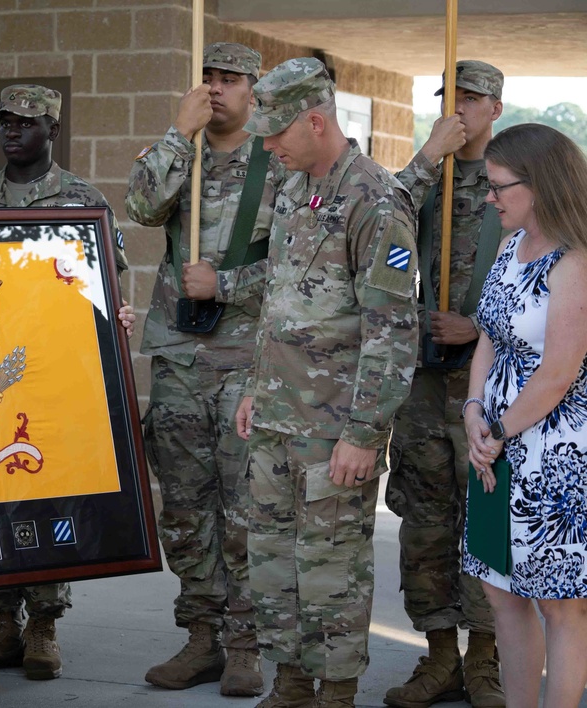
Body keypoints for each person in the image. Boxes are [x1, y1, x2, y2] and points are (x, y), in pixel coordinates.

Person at [236, 57, 419, 706]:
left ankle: (335, 694)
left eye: (277, 132)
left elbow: (394, 332)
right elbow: (279, 301)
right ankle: (290, 686)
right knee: (273, 566)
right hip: (277, 422)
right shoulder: (292, 190)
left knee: (331, 574)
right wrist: (257, 384)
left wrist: (366, 434)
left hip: (335, 432)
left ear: (316, 121)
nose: (267, 144)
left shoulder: (375, 200)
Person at [0, 83, 135, 682]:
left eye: (27, 123)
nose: (13, 131)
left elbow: (105, 278)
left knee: (47, 496)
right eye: (5, 121)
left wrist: (113, 321)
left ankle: (44, 627)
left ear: (52, 130)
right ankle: (1, 624)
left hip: (53, 370)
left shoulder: (80, 196)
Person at [125, 42, 280, 696]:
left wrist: (229, 284)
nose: (217, 89)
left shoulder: (279, 162)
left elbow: (308, 265)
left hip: (247, 358)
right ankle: (200, 637)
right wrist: (177, 132)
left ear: (254, 90)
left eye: (231, 80)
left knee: (244, 503)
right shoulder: (178, 152)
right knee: (185, 505)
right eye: (208, 78)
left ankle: (246, 642)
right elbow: (140, 207)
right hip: (179, 357)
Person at [385, 60, 506, 708]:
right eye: (450, 97)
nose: (459, 107)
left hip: (493, 386)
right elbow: (380, 223)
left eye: (473, 97)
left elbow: (557, 291)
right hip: (426, 386)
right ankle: (437, 658)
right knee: (425, 524)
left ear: (497, 108)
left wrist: (479, 327)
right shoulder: (428, 173)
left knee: (487, 521)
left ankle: (486, 661)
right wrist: (431, 156)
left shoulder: (521, 181)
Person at [462, 123, 587, 708]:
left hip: (555, 453)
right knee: (500, 591)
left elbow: (559, 370)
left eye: (497, 186)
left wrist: (497, 432)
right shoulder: (511, 247)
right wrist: (472, 411)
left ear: (537, 185)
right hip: (494, 443)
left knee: (560, 603)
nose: (489, 197)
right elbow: (489, 337)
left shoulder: (577, 261)